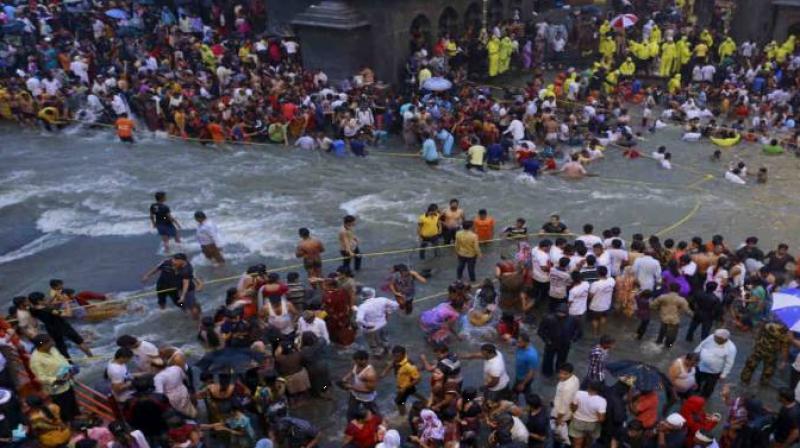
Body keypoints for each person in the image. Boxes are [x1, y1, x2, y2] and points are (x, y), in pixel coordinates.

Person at [29, 334, 79, 422]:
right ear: (42, 345)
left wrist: (70, 369)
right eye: (49, 342)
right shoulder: (35, 360)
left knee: (72, 401)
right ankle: (69, 422)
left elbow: (62, 359)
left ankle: (76, 416)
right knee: (63, 406)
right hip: (56, 388)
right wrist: (57, 380)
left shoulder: (53, 349)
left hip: (67, 381)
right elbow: (41, 377)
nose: (52, 343)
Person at [28, 292, 92, 359]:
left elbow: (42, 309)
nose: (46, 299)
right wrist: (66, 302)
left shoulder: (32, 310)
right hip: (63, 327)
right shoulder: (50, 310)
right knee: (79, 341)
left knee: (61, 347)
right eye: (44, 299)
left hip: (51, 329)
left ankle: (69, 362)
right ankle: (90, 357)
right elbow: (68, 314)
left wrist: (54, 297)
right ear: (39, 301)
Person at [141, 253, 201, 319]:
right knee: (161, 300)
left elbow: (189, 278)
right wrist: (147, 276)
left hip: (173, 287)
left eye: (175, 262)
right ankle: (162, 311)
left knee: (178, 302)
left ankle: (185, 310)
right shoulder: (166, 263)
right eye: (173, 261)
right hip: (161, 285)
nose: (174, 263)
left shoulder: (184, 269)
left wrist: (199, 283)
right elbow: (156, 269)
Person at [740, 320, 792, 386]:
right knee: (768, 370)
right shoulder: (786, 334)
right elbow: (785, 349)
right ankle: (764, 383)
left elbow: (759, 333)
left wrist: (756, 343)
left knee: (750, 365)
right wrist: (783, 361)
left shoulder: (768, 325)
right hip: (772, 353)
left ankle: (744, 380)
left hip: (759, 348)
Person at [356, 287, 400, 356]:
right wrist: (388, 311)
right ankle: (388, 351)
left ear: (362, 297)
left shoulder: (362, 307)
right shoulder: (382, 300)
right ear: (373, 294)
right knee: (385, 340)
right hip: (382, 325)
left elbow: (359, 320)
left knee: (374, 345)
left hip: (371, 329)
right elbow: (396, 305)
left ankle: (378, 355)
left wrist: (367, 324)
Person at [537, 305, 579, 377]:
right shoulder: (548, 318)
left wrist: (573, 339)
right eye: (559, 313)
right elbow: (540, 331)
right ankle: (547, 373)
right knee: (548, 359)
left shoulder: (573, 319)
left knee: (562, 360)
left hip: (564, 344)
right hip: (551, 343)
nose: (561, 315)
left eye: (563, 313)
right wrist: (547, 340)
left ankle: (559, 371)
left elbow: (578, 331)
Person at [694, 329, 737, 398]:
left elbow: (729, 362)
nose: (714, 339)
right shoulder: (712, 337)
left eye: (717, 338)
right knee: (696, 380)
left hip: (714, 371)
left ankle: (704, 398)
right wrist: (695, 354)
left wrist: (724, 374)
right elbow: (702, 344)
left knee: (709, 387)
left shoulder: (731, 348)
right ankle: (695, 390)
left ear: (724, 339)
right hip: (701, 365)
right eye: (715, 337)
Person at [381, 345, 421, 416]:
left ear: (403, 355)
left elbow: (417, 379)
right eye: (394, 356)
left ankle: (403, 414)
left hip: (407, 386)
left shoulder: (409, 366)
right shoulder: (397, 360)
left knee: (399, 401)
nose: (395, 358)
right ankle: (426, 401)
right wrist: (384, 373)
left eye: (397, 356)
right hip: (402, 385)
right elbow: (391, 364)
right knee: (414, 393)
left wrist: (405, 387)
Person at [650, 283, 692, 349]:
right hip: (674, 320)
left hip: (664, 318)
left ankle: (659, 342)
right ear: (679, 290)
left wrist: (658, 309)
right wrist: (693, 315)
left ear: (669, 288)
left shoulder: (662, 297)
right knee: (672, 336)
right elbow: (687, 311)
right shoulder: (682, 300)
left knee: (662, 331)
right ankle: (668, 346)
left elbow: (652, 305)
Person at [342, 350, 379, 420]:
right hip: (354, 395)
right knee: (351, 412)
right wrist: (346, 378)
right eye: (355, 361)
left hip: (366, 398)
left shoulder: (370, 374)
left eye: (357, 361)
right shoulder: (357, 365)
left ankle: (380, 425)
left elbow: (370, 390)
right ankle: (352, 426)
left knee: (374, 413)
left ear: (364, 360)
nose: (355, 363)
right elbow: (352, 372)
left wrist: (352, 387)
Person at [569, 381, 607, 448]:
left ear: (588, 387)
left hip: (578, 421)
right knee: (589, 441)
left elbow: (573, 408)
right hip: (592, 425)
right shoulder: (602, 401)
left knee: (577, 444)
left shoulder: (578, 393)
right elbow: (601, 419)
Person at [587, 266, 615, 336]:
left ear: (598, 273)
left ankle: (595, 332)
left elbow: (590, 296)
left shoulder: (595, 284)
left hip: (596, 306)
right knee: (603, 317)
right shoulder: (611, 280)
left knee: (595, 319)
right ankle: (601, 331)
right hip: (606, 305)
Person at [514, 332, 539, 396]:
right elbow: (514, 343)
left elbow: (531, 373)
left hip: (524, 379)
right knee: (518, 391)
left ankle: (532, 403)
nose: (517, 344)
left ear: (526, 342)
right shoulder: (521, 346)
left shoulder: (531, 356)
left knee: (525, 392)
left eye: (519, 342)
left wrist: (523, 384)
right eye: (518, 341)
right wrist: (508, 338)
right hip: (519, 375)